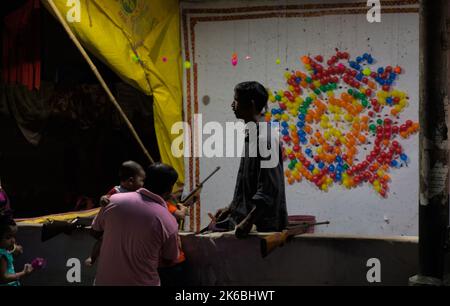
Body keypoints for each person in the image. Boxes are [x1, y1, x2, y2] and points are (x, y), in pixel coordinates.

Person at [211, 81, 288, 238]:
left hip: (264, 227)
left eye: (236, 100)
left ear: (251, 104)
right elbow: (248, 183)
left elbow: (269, 189)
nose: (232, 105)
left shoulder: (265, 138)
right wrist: (232, 207)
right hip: (252, 224)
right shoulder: (252, 136)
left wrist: (248, 221)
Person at [90, 163, 180, 286]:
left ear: (145, 180)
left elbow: (95, 232)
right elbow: (169, 260)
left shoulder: (113, 200)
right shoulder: (169, 221)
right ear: (169, 190)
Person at [85, 161, 146, 267]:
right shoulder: (117, 190)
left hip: (124, 224)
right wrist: (103, 199)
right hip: (110, 223)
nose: (143, 184)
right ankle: (92, 257)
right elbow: (105, 197)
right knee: (103, 239)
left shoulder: (138, 193)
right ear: (131, 181)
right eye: (141, 180)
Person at [0, 213, 34, 286]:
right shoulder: (2, 255)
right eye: (8, 237)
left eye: (13, 236)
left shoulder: (5, 250)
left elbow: (9, 266)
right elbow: (4, 278)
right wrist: (23, 273)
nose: (13, 240)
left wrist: (13, 250)